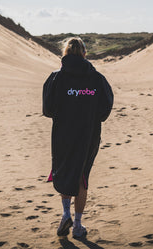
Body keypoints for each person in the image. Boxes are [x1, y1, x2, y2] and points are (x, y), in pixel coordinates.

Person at [42, 37, 114, 238]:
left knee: (65, 171)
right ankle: (78, 226)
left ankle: (66, 214)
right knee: (82, 176)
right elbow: (105, 110)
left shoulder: (56, 78)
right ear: (84, 53)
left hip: (63, 135)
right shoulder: (97, 79)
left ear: (64, 53)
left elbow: (47, 109)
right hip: (88, 135)